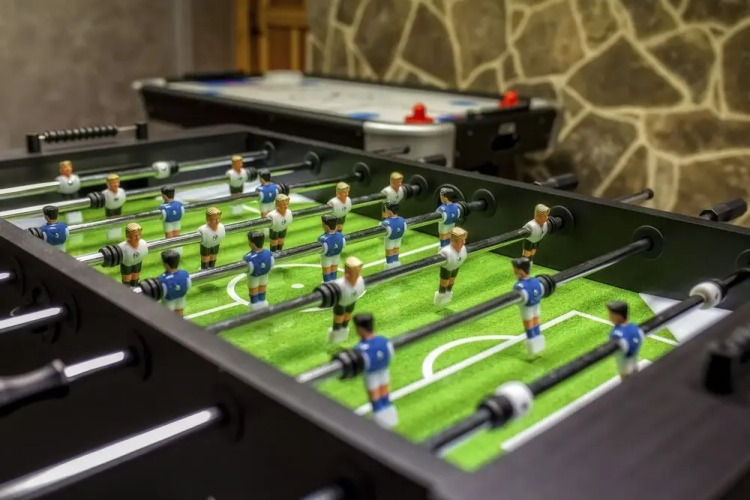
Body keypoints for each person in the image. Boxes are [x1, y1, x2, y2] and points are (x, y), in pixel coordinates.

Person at [353, 314, 398, 429]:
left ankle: (380, 420)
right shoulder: (383, 340)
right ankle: (389, 417)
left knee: (375, 395)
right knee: (384, 391)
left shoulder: (360, 348)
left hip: (371, 375)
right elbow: (391, 354)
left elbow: (362, 365)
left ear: (360, 329)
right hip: (384, 370)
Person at [511, 257, 545, 356]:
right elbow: (541, 292)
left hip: (527, 308)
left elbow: (518, 299)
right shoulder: (536, 281)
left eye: (515, 270)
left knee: (529, 324)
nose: (514, 272)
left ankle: (533, 349)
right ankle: (539, 346)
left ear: (520, 271)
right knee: (536, 322)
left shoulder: (519, 286)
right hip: (536, 305)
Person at [329, 256, 365, 343]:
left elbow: (360, 290)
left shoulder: (360, 281)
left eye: (359, 270)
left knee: (347, 315)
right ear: (347, 271)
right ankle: (336, 333)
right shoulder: (339, 284)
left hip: (351, 300)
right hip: (341, 303)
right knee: (339, 317)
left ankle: (343, 330)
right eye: (356, 271)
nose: (358, 273)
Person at [607, 301, 645, 379]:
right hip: (633, 365)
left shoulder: (615, 334)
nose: (609, 316)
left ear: (618, 316)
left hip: (626, 372)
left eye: (611, 314)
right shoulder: (635, 328)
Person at [434, 227, 467, 306]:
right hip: (447, 268)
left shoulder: (463, 249)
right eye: (461, 240)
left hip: (456, 266)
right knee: (444, 283)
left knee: (452, 281)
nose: (464, 242)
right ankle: (440, 298)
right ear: (454, 241)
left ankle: (448, 295)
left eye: (464, 240)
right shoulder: (445, 252)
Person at [244, 231, 274, 309]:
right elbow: (272, 264)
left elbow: (248, 269)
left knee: (253, 289)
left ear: (252, 244)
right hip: (264, 275)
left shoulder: (248, 257)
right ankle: (262, 301)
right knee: (262, 287)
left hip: (253, 276)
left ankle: (254, 304)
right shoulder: (268, 253)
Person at [157, 250, 191, 316]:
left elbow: (161, 293)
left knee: (168, 317)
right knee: (179, 313)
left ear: (166, 265)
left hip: (168, 302)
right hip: (181, 299)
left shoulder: (162, 279)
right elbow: (188, 286)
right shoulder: (185, 274)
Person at [318, 214, 346, 282]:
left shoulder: (322, 238)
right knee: (334, 268)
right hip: (337, 255)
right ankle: (334, 281)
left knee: (326, 269)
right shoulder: (340, 235)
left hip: (327, 257)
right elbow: (343, 245)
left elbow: (322, 250)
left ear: (326, 226)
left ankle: (327, 283)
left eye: (323, 223)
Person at [380, 202, 406, 269]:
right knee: (396, 249)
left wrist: (380, 224)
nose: (384, 212)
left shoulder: (386, 223)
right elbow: (404, 229)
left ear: (389, 212)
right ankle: (396, 261)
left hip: (390, 239)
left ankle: (390, 263)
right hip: (398, 238)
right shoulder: (402, 220)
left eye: (385, 210)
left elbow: (381, 229)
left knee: (389, 250)